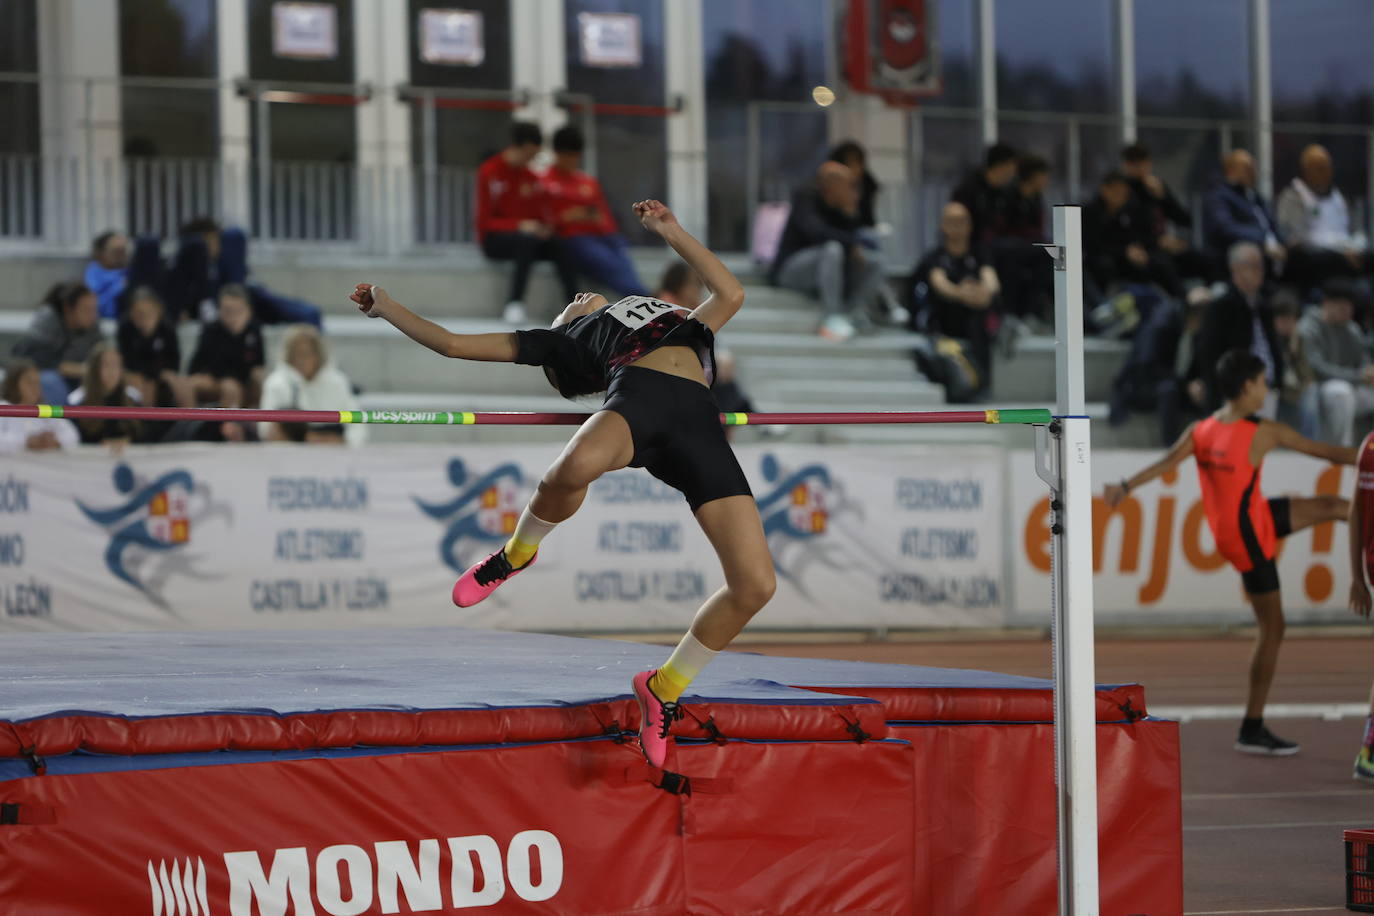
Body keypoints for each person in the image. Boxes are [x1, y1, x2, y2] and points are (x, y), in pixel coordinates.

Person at [351, 199, 775, 769]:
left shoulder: (676, 318)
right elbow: (451, 343)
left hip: (699, 430)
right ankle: (516, 553)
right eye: (565, 310)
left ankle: (664, 687)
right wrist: (385, 305)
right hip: (638, 406)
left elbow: (730, 294)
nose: (573, 299)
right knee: (572, 468)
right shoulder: (572, 341)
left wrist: (670, 231)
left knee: (755, 586)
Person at [1105, 349, 1353, 755]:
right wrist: (1368, 454)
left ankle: (1252, 727)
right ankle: (1252, 727)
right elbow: (1328, 453)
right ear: (1246, 387)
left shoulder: (1202, 429)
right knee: (1274, 628)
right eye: (1262, 382)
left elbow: (1167, 463)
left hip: (1248, 521)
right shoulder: (1262, 431)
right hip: (1247, 538)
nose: (1267, 389)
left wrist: (1125, 487)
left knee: (1333, 506)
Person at [771, 161, 886, 341]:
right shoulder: (806, 198)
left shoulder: (842, 207)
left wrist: (850, 215)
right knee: (832, 249)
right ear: (832, 185)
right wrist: (851, 243)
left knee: (876, 262)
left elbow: (854, 243)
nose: (851, 191)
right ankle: (831, 316)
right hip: (791, 270)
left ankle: (851, 313)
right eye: (847, 185)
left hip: (827, 272)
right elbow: (815, 232)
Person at [476, 121, 578, 324]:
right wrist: (519, 225)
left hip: (528, 237)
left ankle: (574, 306)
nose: (531, 160)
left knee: (561, 244)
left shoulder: (530, 177)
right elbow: (485, 221)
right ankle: (515, 302)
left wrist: (545, 227)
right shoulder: (490, 172)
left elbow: (539, 216)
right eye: (530, 154)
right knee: (526, 240)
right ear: (518, 148)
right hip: (495, 239)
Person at [541, 125, 650, 298]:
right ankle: (643, 295)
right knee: (603, 259)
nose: (571, 162)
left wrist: (592, 221)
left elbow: (603, 217)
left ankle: (641, 294)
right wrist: (570, 217)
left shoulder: (588, 183)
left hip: (602, 236)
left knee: (620, 251)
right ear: (557, 153)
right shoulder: (544, 182)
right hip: (574, 239)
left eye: (575, 157)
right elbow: (543, 221)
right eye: (567, 157)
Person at [909, 201, 1000, 396]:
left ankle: (981, 384)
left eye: (961, 221)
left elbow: (991, 282)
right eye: (951, 221)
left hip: (975, 321)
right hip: (944, 323)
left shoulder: (979, 254)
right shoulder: (935, 257)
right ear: (942, 225)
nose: (957, 226)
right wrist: (963, 293)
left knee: (983, 320)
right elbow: (941, 285)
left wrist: (982, 293)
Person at [1191, 242, 1284, 414]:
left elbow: (1273, 348)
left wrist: (1278, 381)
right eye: (1253, 266)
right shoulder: (1221, 306)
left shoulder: (1264, 305)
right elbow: (1208, 352)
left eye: (1260, 266)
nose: (1259, 272)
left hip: (1267, 388)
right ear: (1236, 269)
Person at [1276, 144, 1370, 294]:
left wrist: (1356, 248)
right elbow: (1295, 238)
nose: (1325, 172)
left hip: (1347, 254)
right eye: (1318, 168)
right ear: (1305, 171)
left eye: (1327, 167)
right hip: (1315, 259)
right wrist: (1340, 252)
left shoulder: (1340, 197)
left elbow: (1357, 230)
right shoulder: (1292, 197)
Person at [1082, 171, 1183, 300]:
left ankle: (1177, 302)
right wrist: (1124, 251)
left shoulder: (1130, 211)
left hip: (1128, 257)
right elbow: (1092, 245)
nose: (1120, 196)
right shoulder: (1090, 212)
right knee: (1104, 266)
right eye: (1115, 191)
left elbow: (1139, 235)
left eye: (1123, 192)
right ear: (1104, 189)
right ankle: (1103, 306)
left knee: (1160, 261)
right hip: (1103, 260)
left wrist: (1140, 248)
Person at [258, 324, 366, 445]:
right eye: (295, 354)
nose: (300, 360)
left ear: (318, 355)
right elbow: (266, 429)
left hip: (335, 453)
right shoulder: (276, 383)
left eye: (306, 354)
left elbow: (357, 424)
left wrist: (343, 442)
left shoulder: (337, 382)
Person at [1298, 278, 1374, 446]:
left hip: (1352, 384)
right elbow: (1318, 368)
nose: (1347, 311)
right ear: (1327, 304)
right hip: (1318, 388)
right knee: (1341, 392)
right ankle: (1342, 451)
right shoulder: (1309, 327)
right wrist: (1359, 376)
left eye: (1349, 306)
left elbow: (1362, 361)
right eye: (1342, 305)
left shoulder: (1351, 328)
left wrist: (1368, 372)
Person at [11, 282, 103, 405]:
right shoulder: (48, 319)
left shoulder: (93, 326)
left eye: (94, 309)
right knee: (51, 381)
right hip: (42, 376)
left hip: (76, 380)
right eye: (86, 309)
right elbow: (40, 360)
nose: (93, 315)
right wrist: (80, 369)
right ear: (68, 309)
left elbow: (100, 353)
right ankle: (58, 420)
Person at [1204, 149, 1286, 274]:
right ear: (1231, 170)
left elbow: (1272, 225)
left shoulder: (1255, 196)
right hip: (1245, 255)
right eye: (1246, 168)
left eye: (1253, 167)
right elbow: (1224, 228)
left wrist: (1284, 242)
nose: (1253, 172)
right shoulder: (1219, 195)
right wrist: (1262, 242)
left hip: (1276, 252)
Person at [188, 283, 266, 408]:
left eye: (239, 311)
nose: (233, 317)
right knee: (229, 387)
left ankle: (257, 424)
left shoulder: (254, 330)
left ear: (249, 311)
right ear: (219, 310)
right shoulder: (212, 330)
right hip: (212, 378)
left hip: (242, 381)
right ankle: (194, 424)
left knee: (260, 380)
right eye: (228, 311)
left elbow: (258, 364)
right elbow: (207, 364)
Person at [1346, 431, 1374, 781]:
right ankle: (1368, 752)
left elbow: (1354, 512)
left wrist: (1357, 577)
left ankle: (1369, 751)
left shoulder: (1368, 444)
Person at [117, 287, 193, 408]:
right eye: (139, 313)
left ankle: (188, 424)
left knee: (183, 386)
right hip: (136, 374)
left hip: (163, 374)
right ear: (132, 313)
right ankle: (143, 424)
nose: (144, 318)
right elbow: (128, 361)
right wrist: (151, 375)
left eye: (149, 312)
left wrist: (162, 374)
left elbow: (173, 360)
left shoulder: (167, 328)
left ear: (158, 311)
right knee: (141, 384)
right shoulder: (126, 329)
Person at [69, 342, 148, 446]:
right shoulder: (77, 402)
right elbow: (72, 440)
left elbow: (146, 438)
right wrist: (100, 445)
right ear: (95, 370)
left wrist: (128, 442)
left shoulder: (133, 399)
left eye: (116, 365)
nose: (112, 371)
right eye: (106, 365)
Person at [0, 358, 79, 454]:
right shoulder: (4, 408)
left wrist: (55, 441)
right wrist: (26, 441)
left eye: (37, 383)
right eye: (29, 383)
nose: (35, 388)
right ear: (13, 383)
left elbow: (72, 435)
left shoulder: (44, 410)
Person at [1270, 288, 1319, 440]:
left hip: (1297, 388)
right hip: (1274, 388)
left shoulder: (1302, 339)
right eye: (1281, 320)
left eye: (1289, 319)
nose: (1285, 324)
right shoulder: (1268, 339)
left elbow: (1308, 375)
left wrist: (1295, 351)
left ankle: (1309, 443)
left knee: (1312, 392)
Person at [951, 142, 1017, 245]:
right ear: (1001, 166)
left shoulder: (1003, 193)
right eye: (1011, 169)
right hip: (972, 247)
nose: (1013, 174)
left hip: (996, 248)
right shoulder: (969, 189)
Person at [85, 230, 130, 318]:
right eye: (116, 251)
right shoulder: (94, 273)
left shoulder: (128, 271)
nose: (121, 255)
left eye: (123, 251)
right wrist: (118, 287)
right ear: (101, 252)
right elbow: (95, 305)